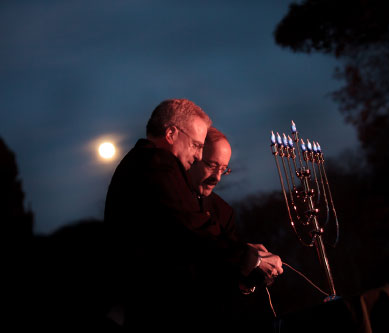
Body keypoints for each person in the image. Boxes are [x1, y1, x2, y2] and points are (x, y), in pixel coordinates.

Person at [103, 99, 277, 332]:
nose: (196, 155)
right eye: (196, 145)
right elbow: (189, 229)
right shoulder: (157, 163)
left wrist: (244, 257)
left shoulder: (144, 163)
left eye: (223, 169)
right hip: (156, 316)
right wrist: (249, 257)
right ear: (171, 133)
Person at [187, 127, 284, 328]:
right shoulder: (177, 203)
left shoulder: (223, 210)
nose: (218, 177)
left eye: (223, 169)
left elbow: (229, 279)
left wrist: (251, 272)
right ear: (193, 157)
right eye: (212, 165)